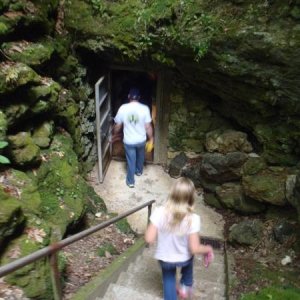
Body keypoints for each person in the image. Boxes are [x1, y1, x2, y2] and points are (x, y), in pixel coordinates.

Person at [145, 177, 214, 300]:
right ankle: (185, 286)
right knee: (189, 260)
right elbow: (194, 248)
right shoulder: (193, 219)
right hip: (184, 258)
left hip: (165, 258)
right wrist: (207, 249)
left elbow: (149, 238)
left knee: (168, 279)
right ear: (191, 198)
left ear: (172, 194)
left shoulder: (159, 212)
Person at [113, 87, 154, 188]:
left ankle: (130, 182)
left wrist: (114, 134)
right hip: (141, 139)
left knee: (131, 161)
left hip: (129, 141)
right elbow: (148, 126)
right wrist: (151, 137)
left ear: (128, 97)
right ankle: (139, 171)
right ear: (139, 97)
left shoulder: (123, 108)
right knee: (141, 156)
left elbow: (117, 125)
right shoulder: (145, 108)